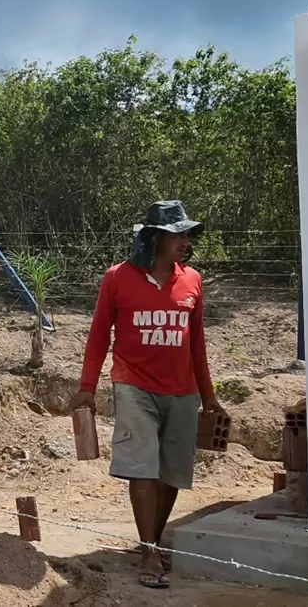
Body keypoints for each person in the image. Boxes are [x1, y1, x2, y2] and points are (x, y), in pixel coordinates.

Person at [69, 200, 224, 590]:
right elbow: (100, 333)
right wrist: (87, 387)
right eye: (180, 235)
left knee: (172, 472)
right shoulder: (117, 278)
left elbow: (197, 344)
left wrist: (209, 396)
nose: (187, 242)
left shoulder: (192, 281)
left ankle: (148, 539)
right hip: (133, 384)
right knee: (143, 467)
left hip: (183, 391)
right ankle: (151, 550)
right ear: (155, 239)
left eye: (188, 235)